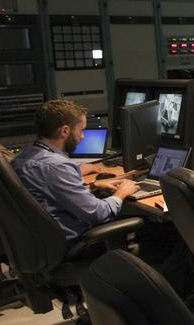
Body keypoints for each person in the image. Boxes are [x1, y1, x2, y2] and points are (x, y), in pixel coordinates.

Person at [11, 100, 139, 240]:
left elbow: (50, 196)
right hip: (69, 242)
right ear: (64, 131)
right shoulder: (58, 166)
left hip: (36, 240)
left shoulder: (20, 158)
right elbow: (98, 213)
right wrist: (121, 193)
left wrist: (92, 187)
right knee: (143, 222)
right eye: (81, 130)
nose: (82, 136)